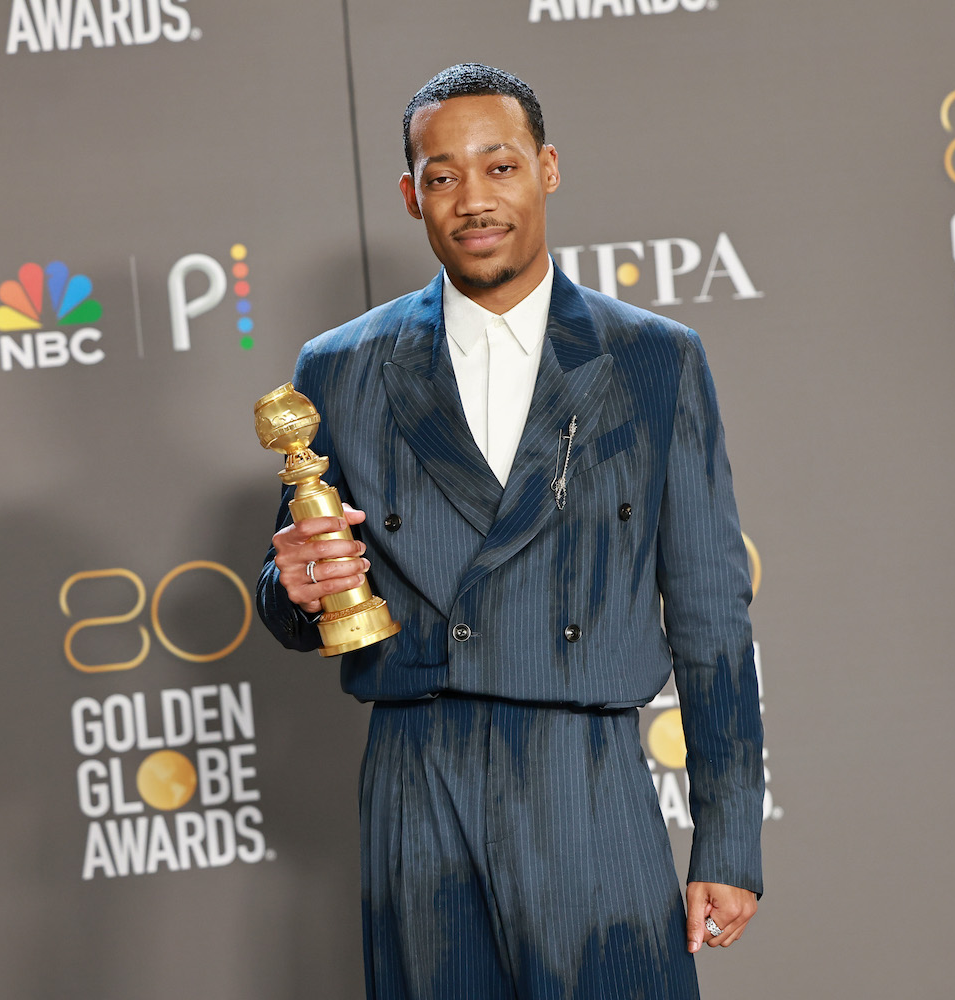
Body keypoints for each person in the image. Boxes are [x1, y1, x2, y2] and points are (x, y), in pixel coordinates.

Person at [257, 63, 763, 999]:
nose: (473, 200)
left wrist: (727, 838)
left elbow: (710, 614)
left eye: (499, 167)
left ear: (548, 170)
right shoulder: (341, 367)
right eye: (443, 176)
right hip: (418, 775)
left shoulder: (653, 359)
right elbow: (296, 605)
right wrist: (290, 585)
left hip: (589, 773)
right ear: (412, 196)